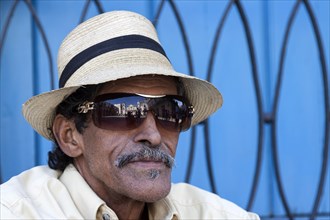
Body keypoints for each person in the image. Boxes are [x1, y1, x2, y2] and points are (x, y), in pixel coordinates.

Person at [0, 11, 259, 220]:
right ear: (70, 136)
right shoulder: (17, 212)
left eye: (170, 111)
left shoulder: (214, 214)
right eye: (122, 110)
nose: (154, 136)